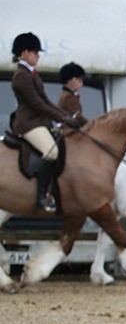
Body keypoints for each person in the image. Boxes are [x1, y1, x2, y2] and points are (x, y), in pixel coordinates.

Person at [10, 32, 76, 212]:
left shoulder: (31, 74)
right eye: (35, 52)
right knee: (52, 152)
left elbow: (46, 101)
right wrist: (61, 118)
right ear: (24, 53)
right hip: (28, 123)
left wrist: (66, 117)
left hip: (39, 122)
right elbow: (37, 105)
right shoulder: (21, 76)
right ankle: (41, 196)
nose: (38, 56)